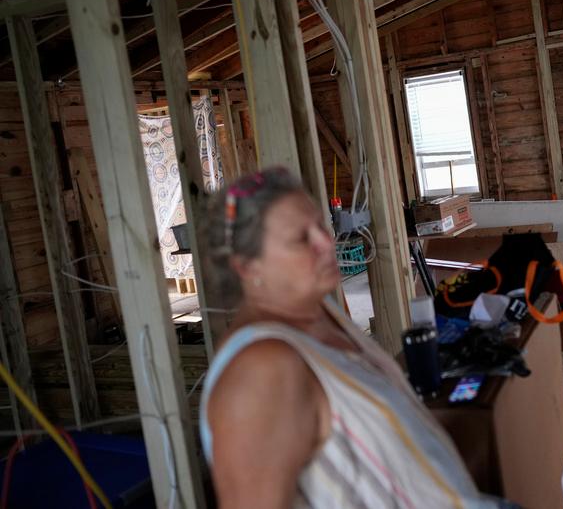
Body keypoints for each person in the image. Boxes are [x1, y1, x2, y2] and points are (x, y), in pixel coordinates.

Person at [199, 167, 504, 509]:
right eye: (301, 238)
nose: (326, 242)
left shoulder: (319, 313)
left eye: (320, 224)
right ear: (247, 267)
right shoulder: (260, 371)